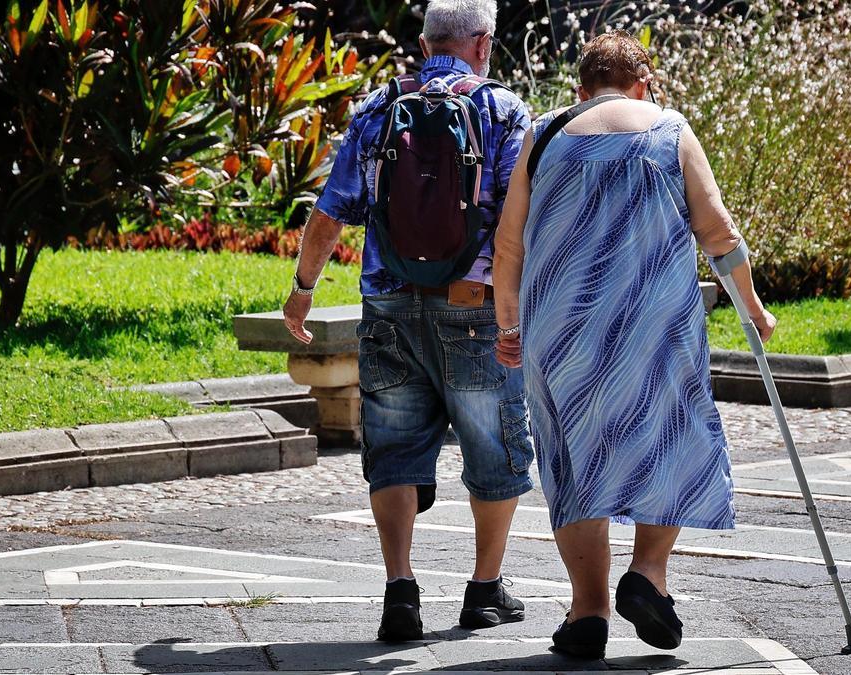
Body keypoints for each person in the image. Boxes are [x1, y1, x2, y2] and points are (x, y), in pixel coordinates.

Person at [492, 31, 777, 659]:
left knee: (573, 456)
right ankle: (648, 576)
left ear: (581, 90)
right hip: (657, 326)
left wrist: (509, 327)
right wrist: (753, 310)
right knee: (667, 438)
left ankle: (587, 610)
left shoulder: (543, 136)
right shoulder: (669, 128)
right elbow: (720, 234)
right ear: (643, 84)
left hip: (563, 333)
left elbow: (508, 244)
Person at [282, 0, 535, 643]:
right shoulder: (504, 113)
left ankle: (400, 590)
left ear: (425, 45)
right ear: (482, 43)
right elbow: (517, 226)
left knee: (392, 451)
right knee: (494, 449)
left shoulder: (375, 111)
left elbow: (329, 212)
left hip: (388, 307)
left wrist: (303, 289)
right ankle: (483, 589)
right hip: (473, 309)